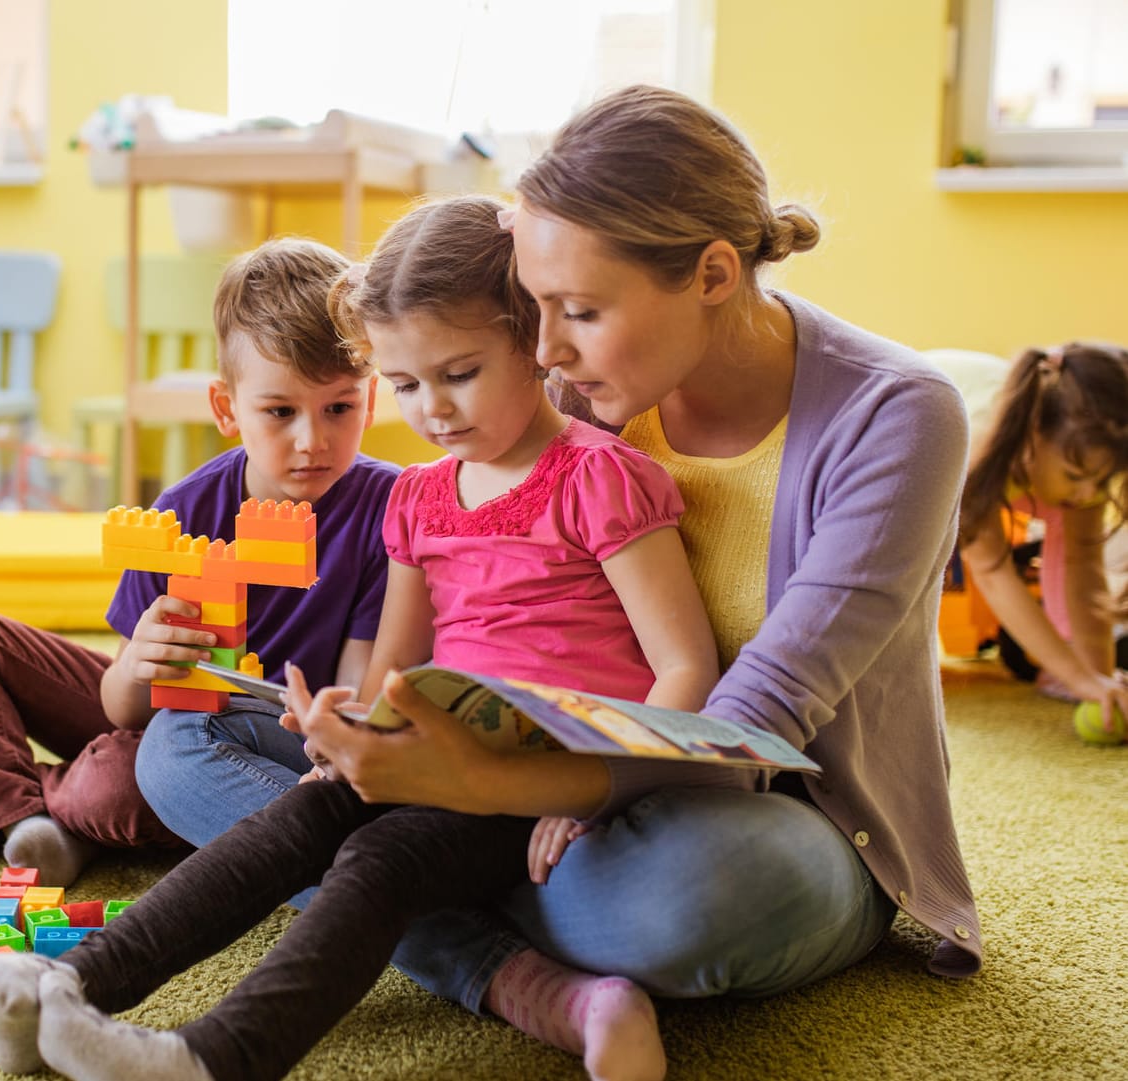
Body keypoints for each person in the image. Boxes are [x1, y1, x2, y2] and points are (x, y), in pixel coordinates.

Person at [148, 85, 985, 1079]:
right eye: (536, 309)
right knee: (181, 747)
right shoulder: (569, 379)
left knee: (668, 903)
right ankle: (473, 918)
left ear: (713, 273)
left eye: (578, 311)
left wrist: (483, 785)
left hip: (765, 810)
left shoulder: (899, 416)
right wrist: (383, 733)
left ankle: (417, 889)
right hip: (520, 794)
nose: (543, 351)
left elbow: (753, 725)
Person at [0, 193, 719, 1081]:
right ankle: (64, 980)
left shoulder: (598, 478)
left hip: (535, 776)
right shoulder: (421, 496)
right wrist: (344, 731)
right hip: (441, 759)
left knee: (375, 857)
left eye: (460, 372)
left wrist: (590, 787)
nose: (432, 409)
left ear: (534, 342)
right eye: (404, 386)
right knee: (299, 816)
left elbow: (685, 668)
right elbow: (393, 673)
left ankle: (216, 1057)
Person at [0, 238, 400, 886]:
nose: (313, 440)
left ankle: (47, 803)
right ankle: (20, 816)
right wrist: (139, 660)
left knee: (117, 785)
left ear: (368, 400)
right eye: (279, 411)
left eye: (339, 407)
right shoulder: (183, 510)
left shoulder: (385, 508)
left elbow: (356, 696)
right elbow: (121, 706)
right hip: (164, 714)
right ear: (226, 407)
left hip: (265, 737)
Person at [955, 342, 1128, 729]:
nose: (1089, 494)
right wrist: (1078, 678)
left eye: (1102, 481)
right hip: (901, 449)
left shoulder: (1076, 449)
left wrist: (1098, 679)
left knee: (1076, 529)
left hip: (1017, 460)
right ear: (1035, 432)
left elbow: (1083, 566)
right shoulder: (976, 449)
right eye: (1076, 476)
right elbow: (993, 573)